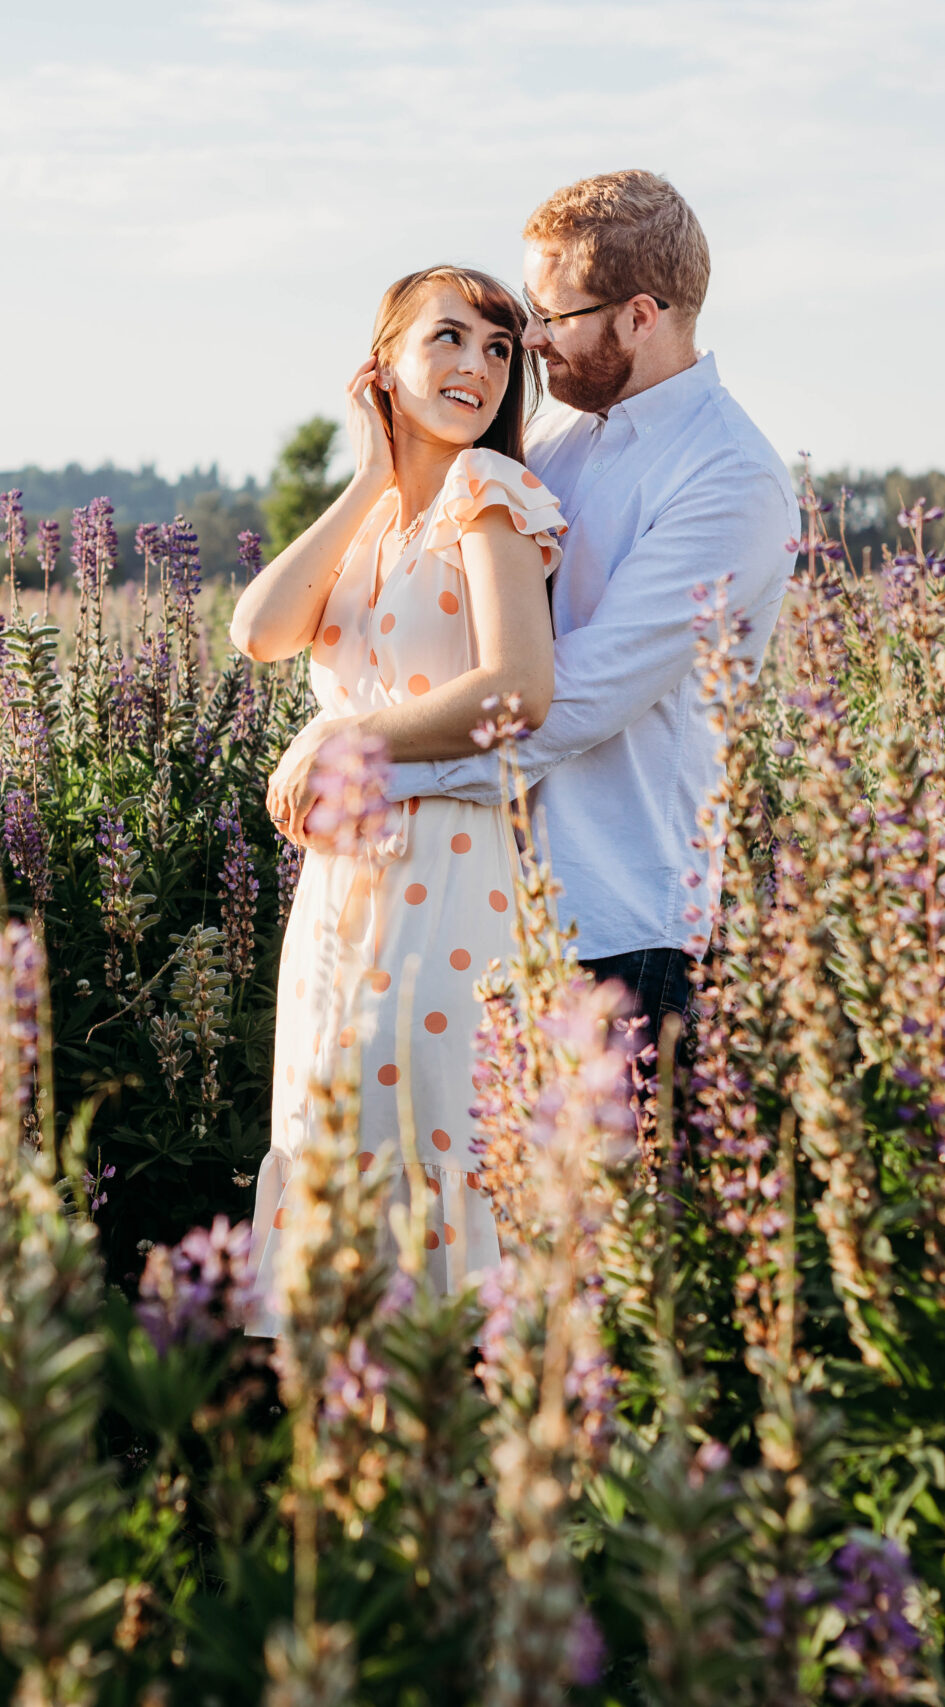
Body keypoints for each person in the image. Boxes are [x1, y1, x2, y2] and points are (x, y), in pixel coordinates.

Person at [380, 169, 800, 1035]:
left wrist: (367, 764)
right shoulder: (555, 442)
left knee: (612, 1176)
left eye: (551, 316)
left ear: (639, 316)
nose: (530, 340)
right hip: (480, 896)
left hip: (619, 928)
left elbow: (574, 697)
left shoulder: (732, 477)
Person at [229, 265, 565, 1323]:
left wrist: (345, 735)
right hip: (342, 887)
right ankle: (352, 1438)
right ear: (385, 366)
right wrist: (369, 472)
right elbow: (258, 633)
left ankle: (456, 1426)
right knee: (336, 1134)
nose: (476, 366)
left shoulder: (489, 494)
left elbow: (518, 686)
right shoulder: (377, 520)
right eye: (449, 340)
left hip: (449, 868)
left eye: (499, 349)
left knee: (432, 1134)